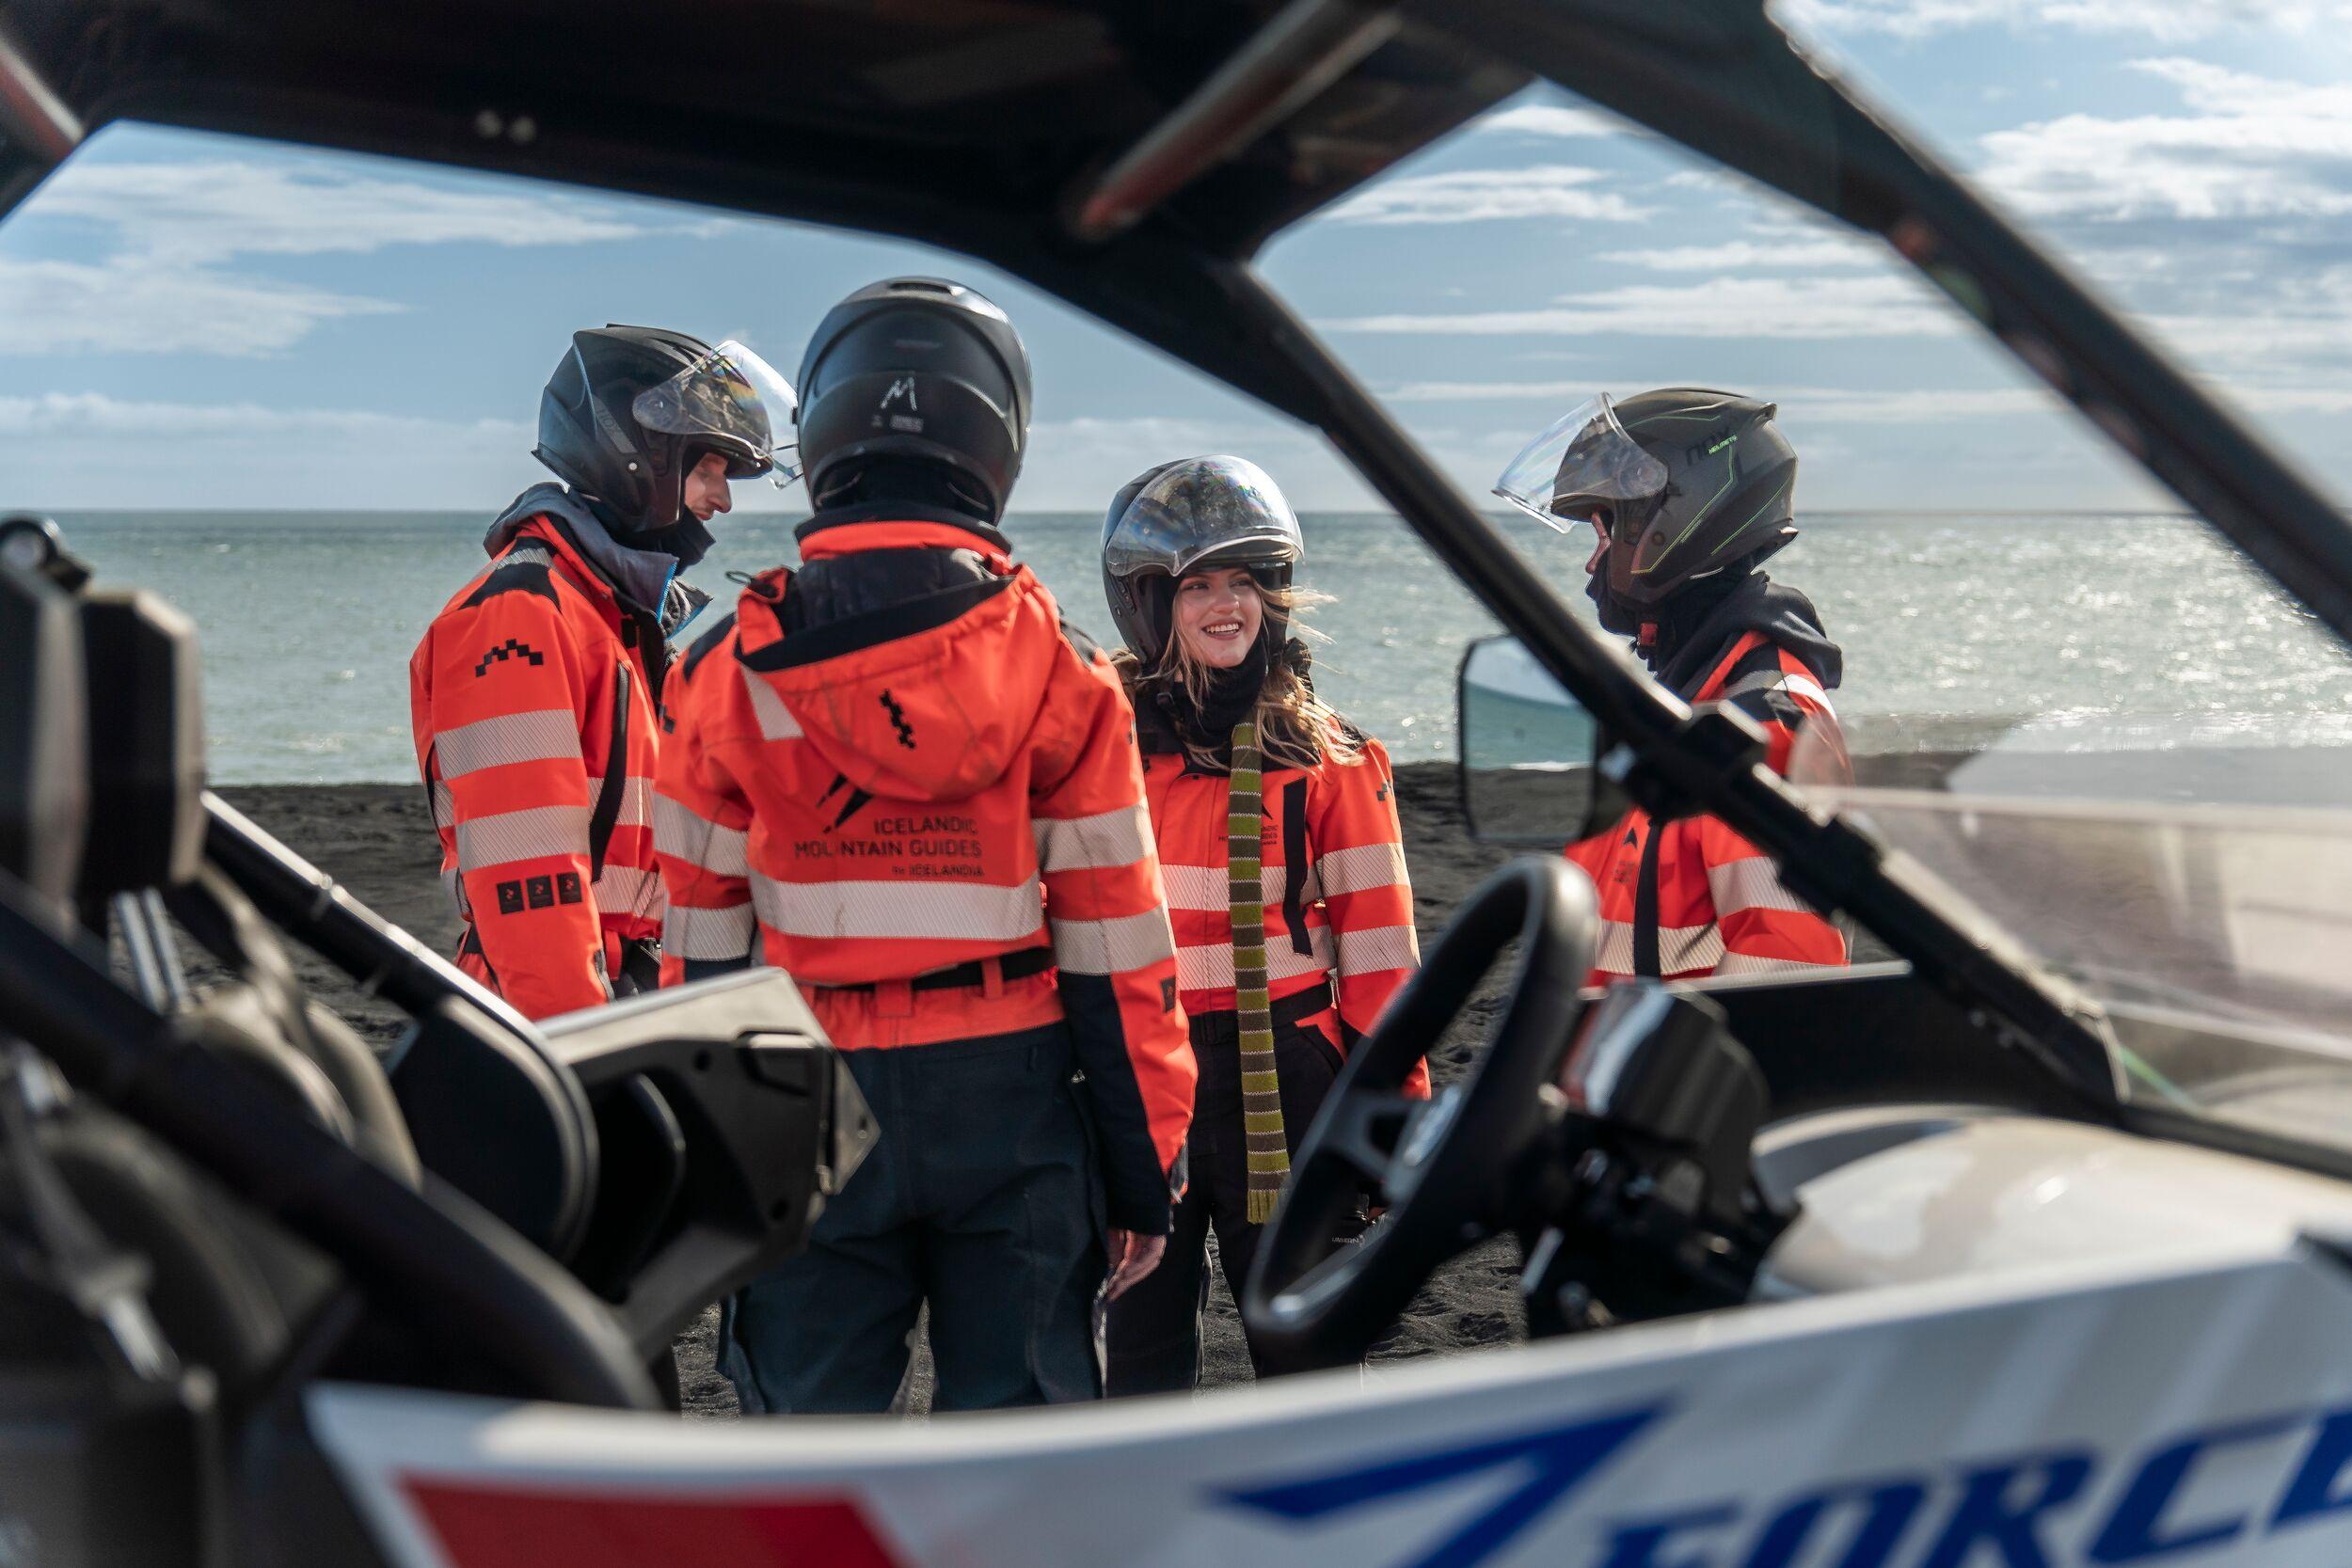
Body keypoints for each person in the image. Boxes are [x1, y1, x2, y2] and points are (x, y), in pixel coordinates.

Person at [653, 277, 1197, 1413]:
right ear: (996, 439)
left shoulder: (719, 667)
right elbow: (1118, 949)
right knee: (1022, 1450)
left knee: (810, 1442)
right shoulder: (1063, 667)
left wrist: (718, 1158)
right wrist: (1142, 1171)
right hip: (1014, 1090)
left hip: (800, 1082)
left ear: (822, 432)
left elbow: (699, 948)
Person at [1096, 455, 1427, 1395]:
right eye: (1196, 585)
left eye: (1243, 581)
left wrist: (1387, 1116)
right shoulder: (1101, 743)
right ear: (1151, 601)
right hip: (1140, 1075)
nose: (1224, 606)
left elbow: (1380, 959)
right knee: (1139, 1352)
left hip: (1282, 1076)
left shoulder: (1327, 754)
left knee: (1307, 1351)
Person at [408, 327, 790, 1020]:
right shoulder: (520, 617)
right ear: (639, 459)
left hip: (628, 988)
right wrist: (586, 1049)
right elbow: (530, 882)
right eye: (707, 471)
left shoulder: (609, 615)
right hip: (560, 1009)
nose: (722, 500)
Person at [1496, 388, 1849, 984]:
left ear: (1671, 524)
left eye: (1605, 534)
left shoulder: (1760, 721)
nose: (1592, 565)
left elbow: (1783, 973)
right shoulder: (1697, 696)